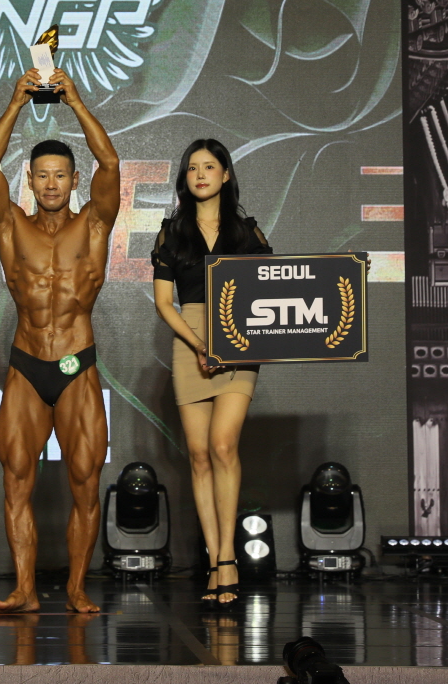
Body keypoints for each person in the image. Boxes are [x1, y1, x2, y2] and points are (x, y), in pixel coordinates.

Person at [0, 69, 120, 615]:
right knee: (16, 482)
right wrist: (17, 102)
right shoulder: (10, 227)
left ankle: (78, 588)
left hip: (77, 365)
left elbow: (111, 165)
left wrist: (76, 102)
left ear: (74, 179)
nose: (52, 184)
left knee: (86, 483)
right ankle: (25, 589)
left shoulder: (95, 225)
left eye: (61, 175)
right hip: (26, 366)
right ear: (31, 181)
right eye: (42, 176)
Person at [151, 139, 271, 611]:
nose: (200, 174)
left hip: (239, 341)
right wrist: (201, 346)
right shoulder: (171, 232)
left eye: (209, 166)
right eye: (192, 168)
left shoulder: (247, 232)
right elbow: (165, 303)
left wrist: (228, 343)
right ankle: (215, 559)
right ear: (185, 179)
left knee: (223, 445)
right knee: (199, 456)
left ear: (226, 174)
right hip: (190, 342)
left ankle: (228, 559)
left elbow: (272, 290)